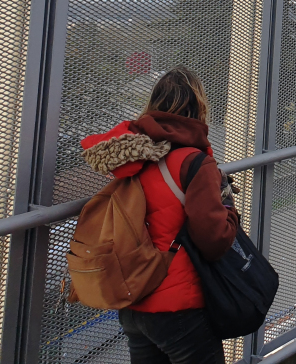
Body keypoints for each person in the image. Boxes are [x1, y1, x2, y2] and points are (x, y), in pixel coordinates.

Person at [80, 67, 238, 364]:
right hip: (178, 308)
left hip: (134, 304)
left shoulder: (133, 157)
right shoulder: (194, 162)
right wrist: (228, 208)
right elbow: (214, 240)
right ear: (198, 107)